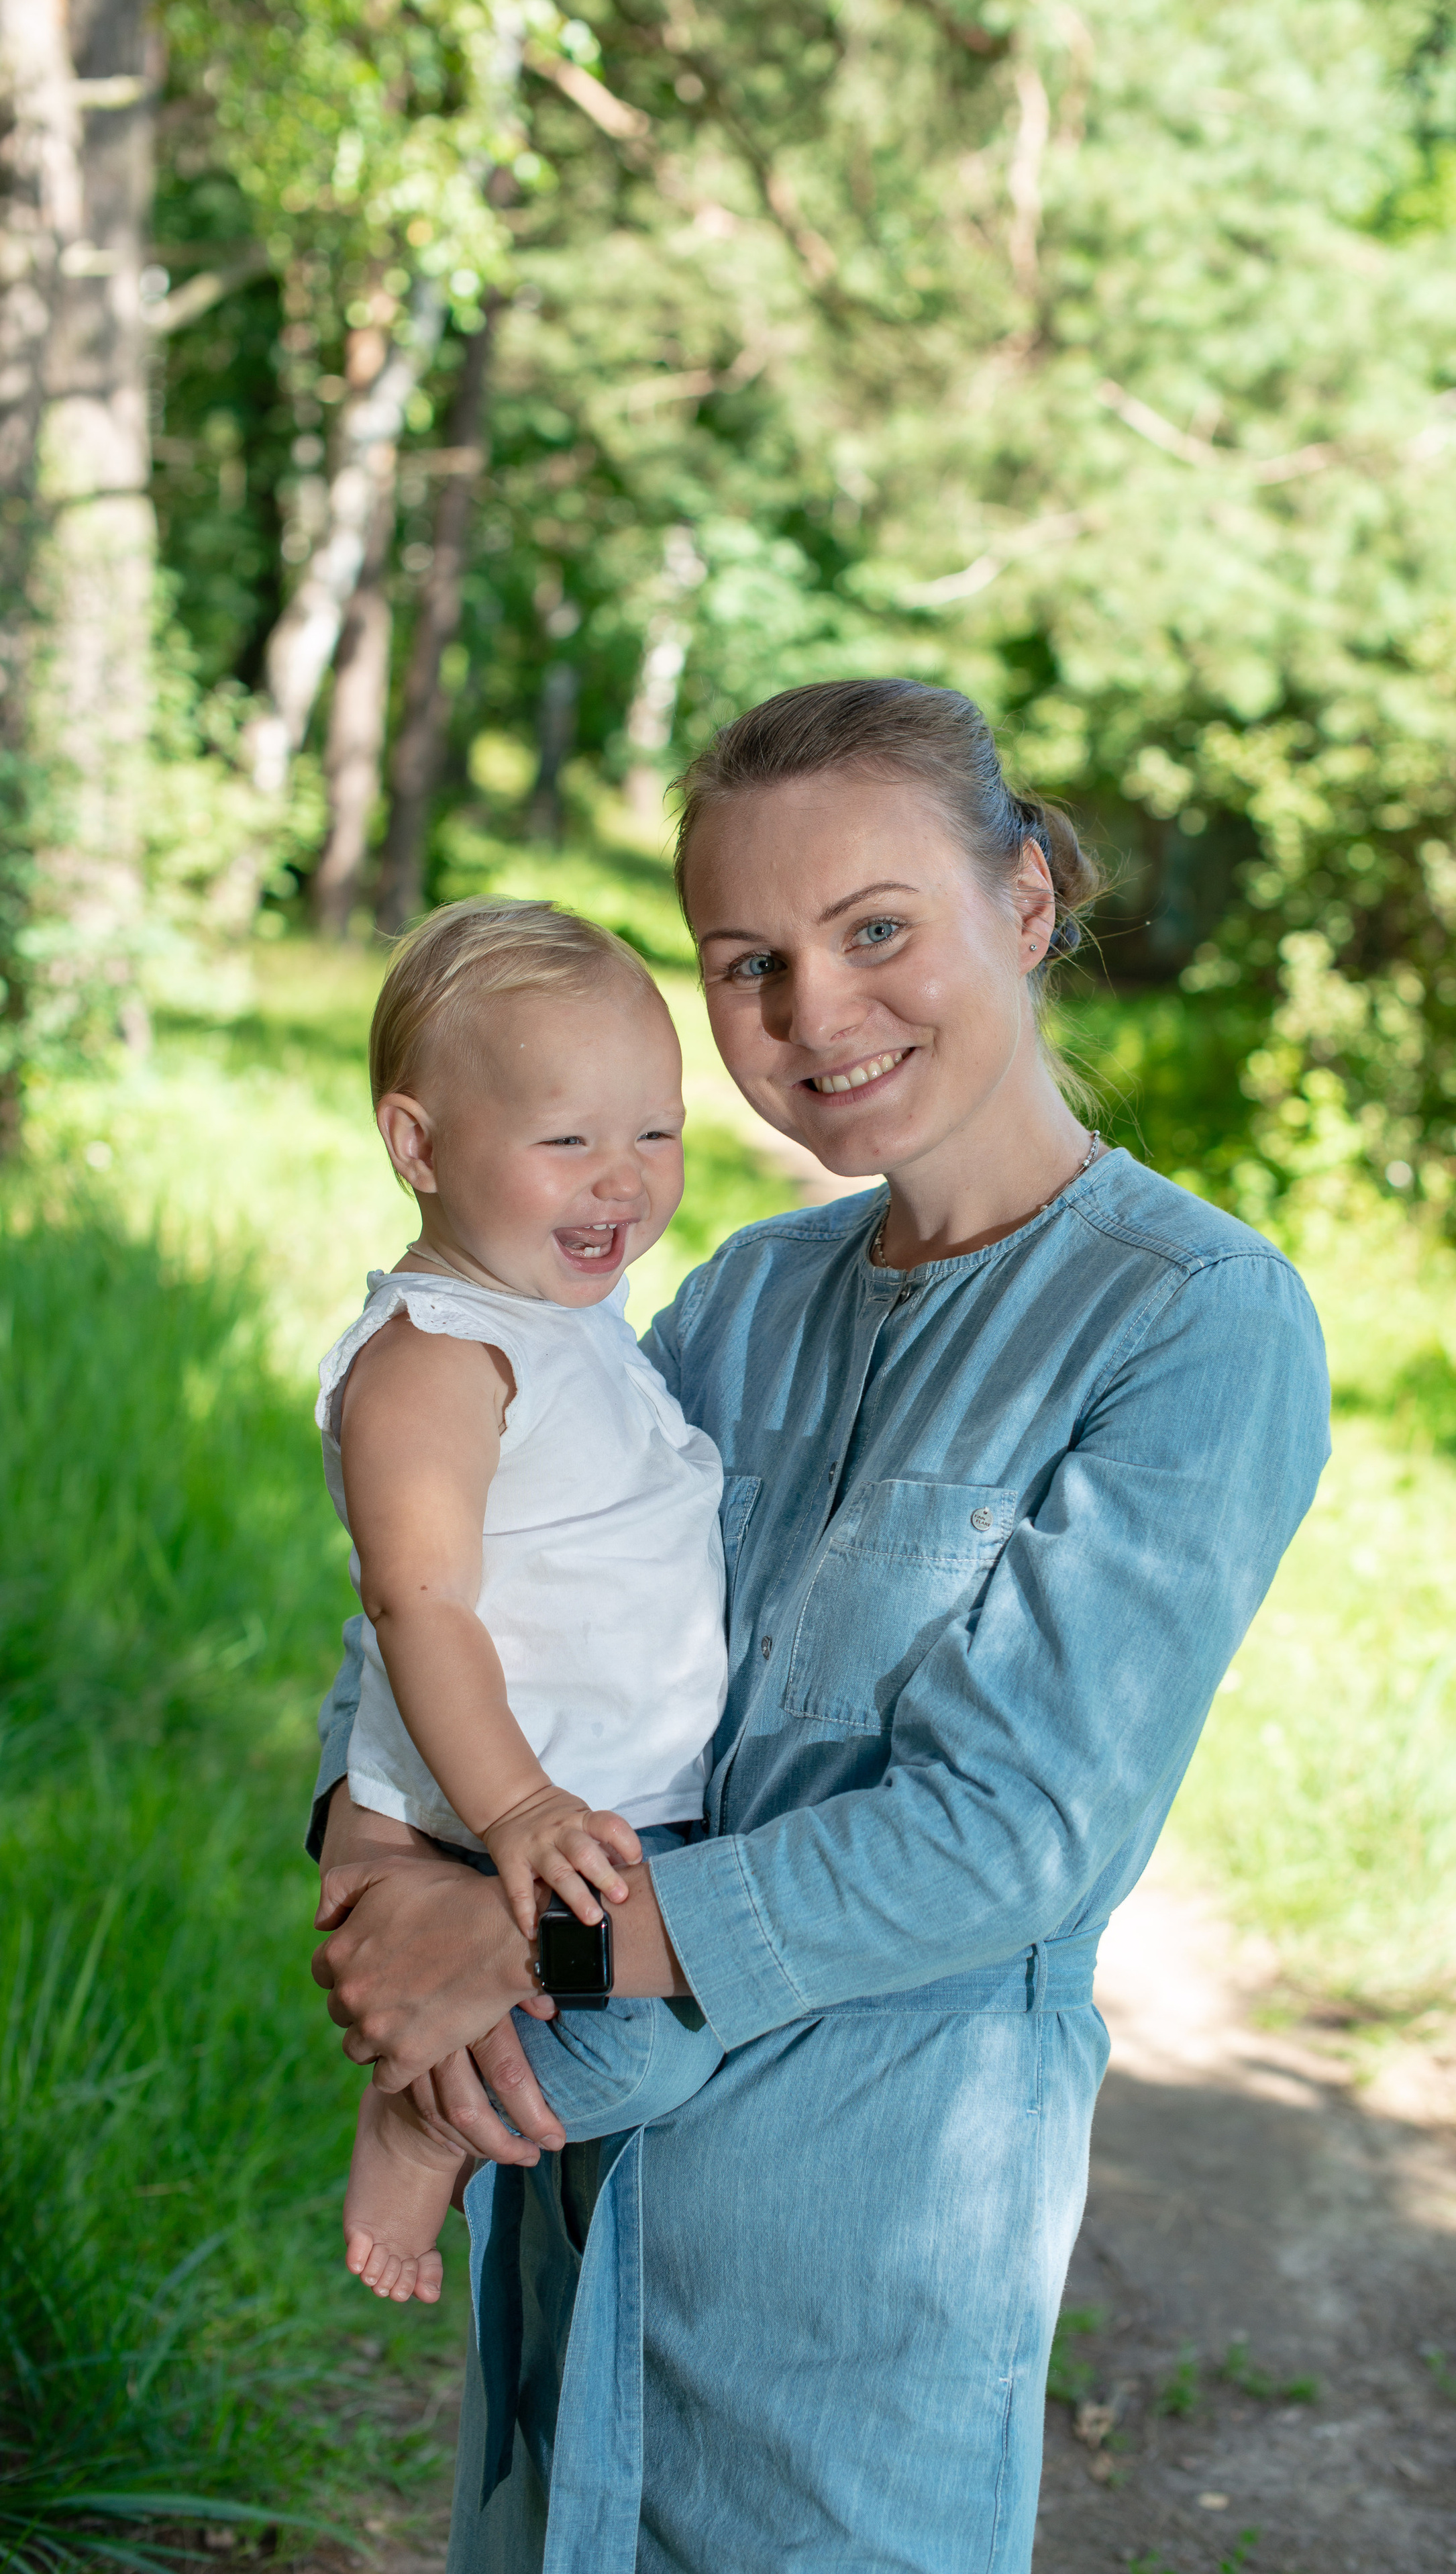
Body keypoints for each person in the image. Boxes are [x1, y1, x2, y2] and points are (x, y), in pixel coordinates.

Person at [310, 678, 1331, 2573]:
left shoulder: (1192, 1318)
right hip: (582, 2204)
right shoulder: (738, 1292)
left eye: (878, 929)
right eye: (748, 961)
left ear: (1023, 901)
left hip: (858, 2247)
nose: (814, 1016)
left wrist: (531, 1930)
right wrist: (373, 1860)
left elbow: (1019, 1833)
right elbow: (480, 1568)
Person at [317, 901, 727, 2305]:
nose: (621, 1181)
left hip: (579, 1792)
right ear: (418, 1145)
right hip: (493, 1800)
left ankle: (443, 2069)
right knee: (634, 2048)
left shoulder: (561, 1322)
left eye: (656, 1133)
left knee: (655, 2032)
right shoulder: (438, 1356)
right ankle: (421, 2107)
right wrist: (510, 1813)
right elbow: (417, 1607)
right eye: (567, 1142)